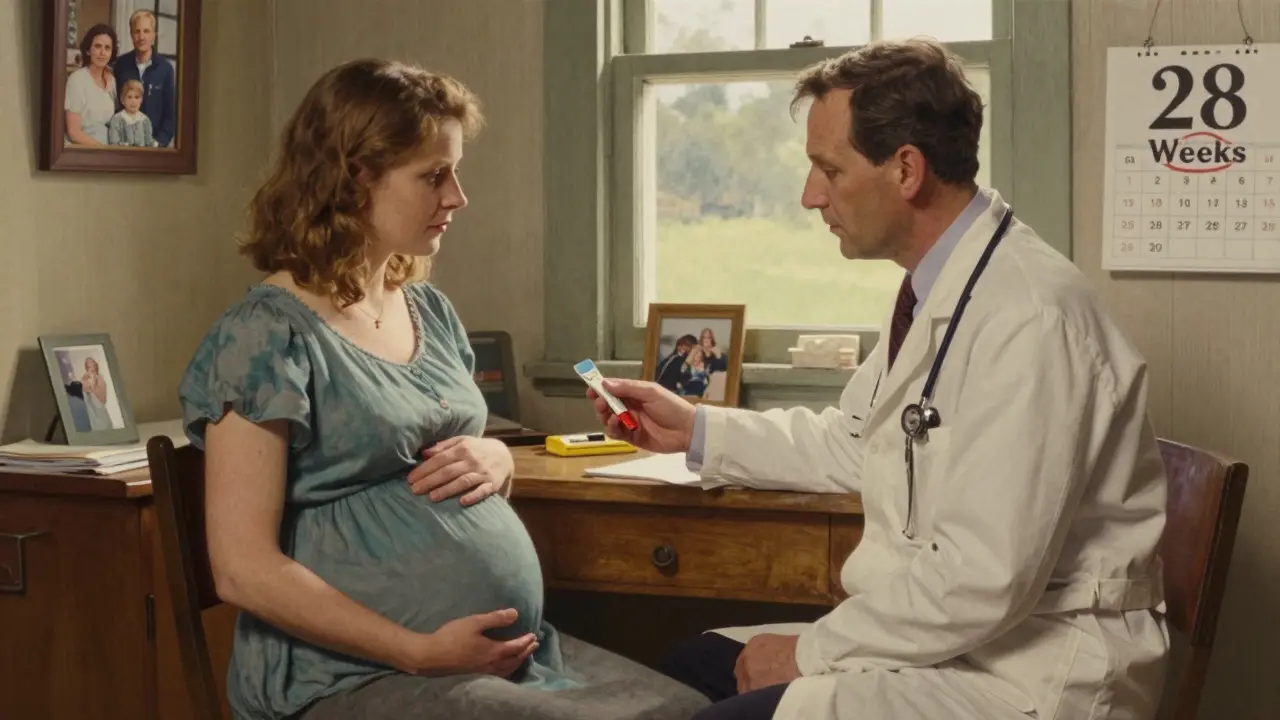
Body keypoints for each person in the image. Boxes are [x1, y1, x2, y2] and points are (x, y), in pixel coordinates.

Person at [589, 37, 1169, 720]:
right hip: (957, 640)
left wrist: (810, 653)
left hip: (1033, 672)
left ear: (906, 170)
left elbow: (984, 578)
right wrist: (696, 428)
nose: (810, 196)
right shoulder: (941, 289)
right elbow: (858, 443)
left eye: (828, 169)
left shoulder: (1029, 317)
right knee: (690, 668)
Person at [177, 58, 708, 720]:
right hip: (351, 675)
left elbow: (452, 457)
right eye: (433, 176)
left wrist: (498, 458)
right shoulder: (264, 335)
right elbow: (242, 569)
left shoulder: (426, 308)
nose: (457, 196)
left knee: (694, 712)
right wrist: (416, 650)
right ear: (355, 175)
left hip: (509, 659)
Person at [113, 10, 176, 147]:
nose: (141, 37)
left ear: (154, 35)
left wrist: (158, 143)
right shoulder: (120, 65)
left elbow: (171, 115)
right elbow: (115, 106)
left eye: (146, 31)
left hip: (155, 147)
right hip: (124, 147)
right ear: (131, 34)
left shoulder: (165, 69)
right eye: (137, 31)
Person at [64, 24, 117, 146]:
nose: (102, 53)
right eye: (98, 46)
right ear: (88, 50)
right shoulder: (77, 80)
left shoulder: (111, 81)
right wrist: (102, 150)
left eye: (107, 48)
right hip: (84, 149)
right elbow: (73, 132)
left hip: (107, 147)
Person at [108, 79, 155, 147]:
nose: (133, 101)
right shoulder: (117, 119)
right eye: (129, 97)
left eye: (137, 97)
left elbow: (149, 143)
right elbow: (114, 143)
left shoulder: (145, 120)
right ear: (122, 100)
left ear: (141, 100)